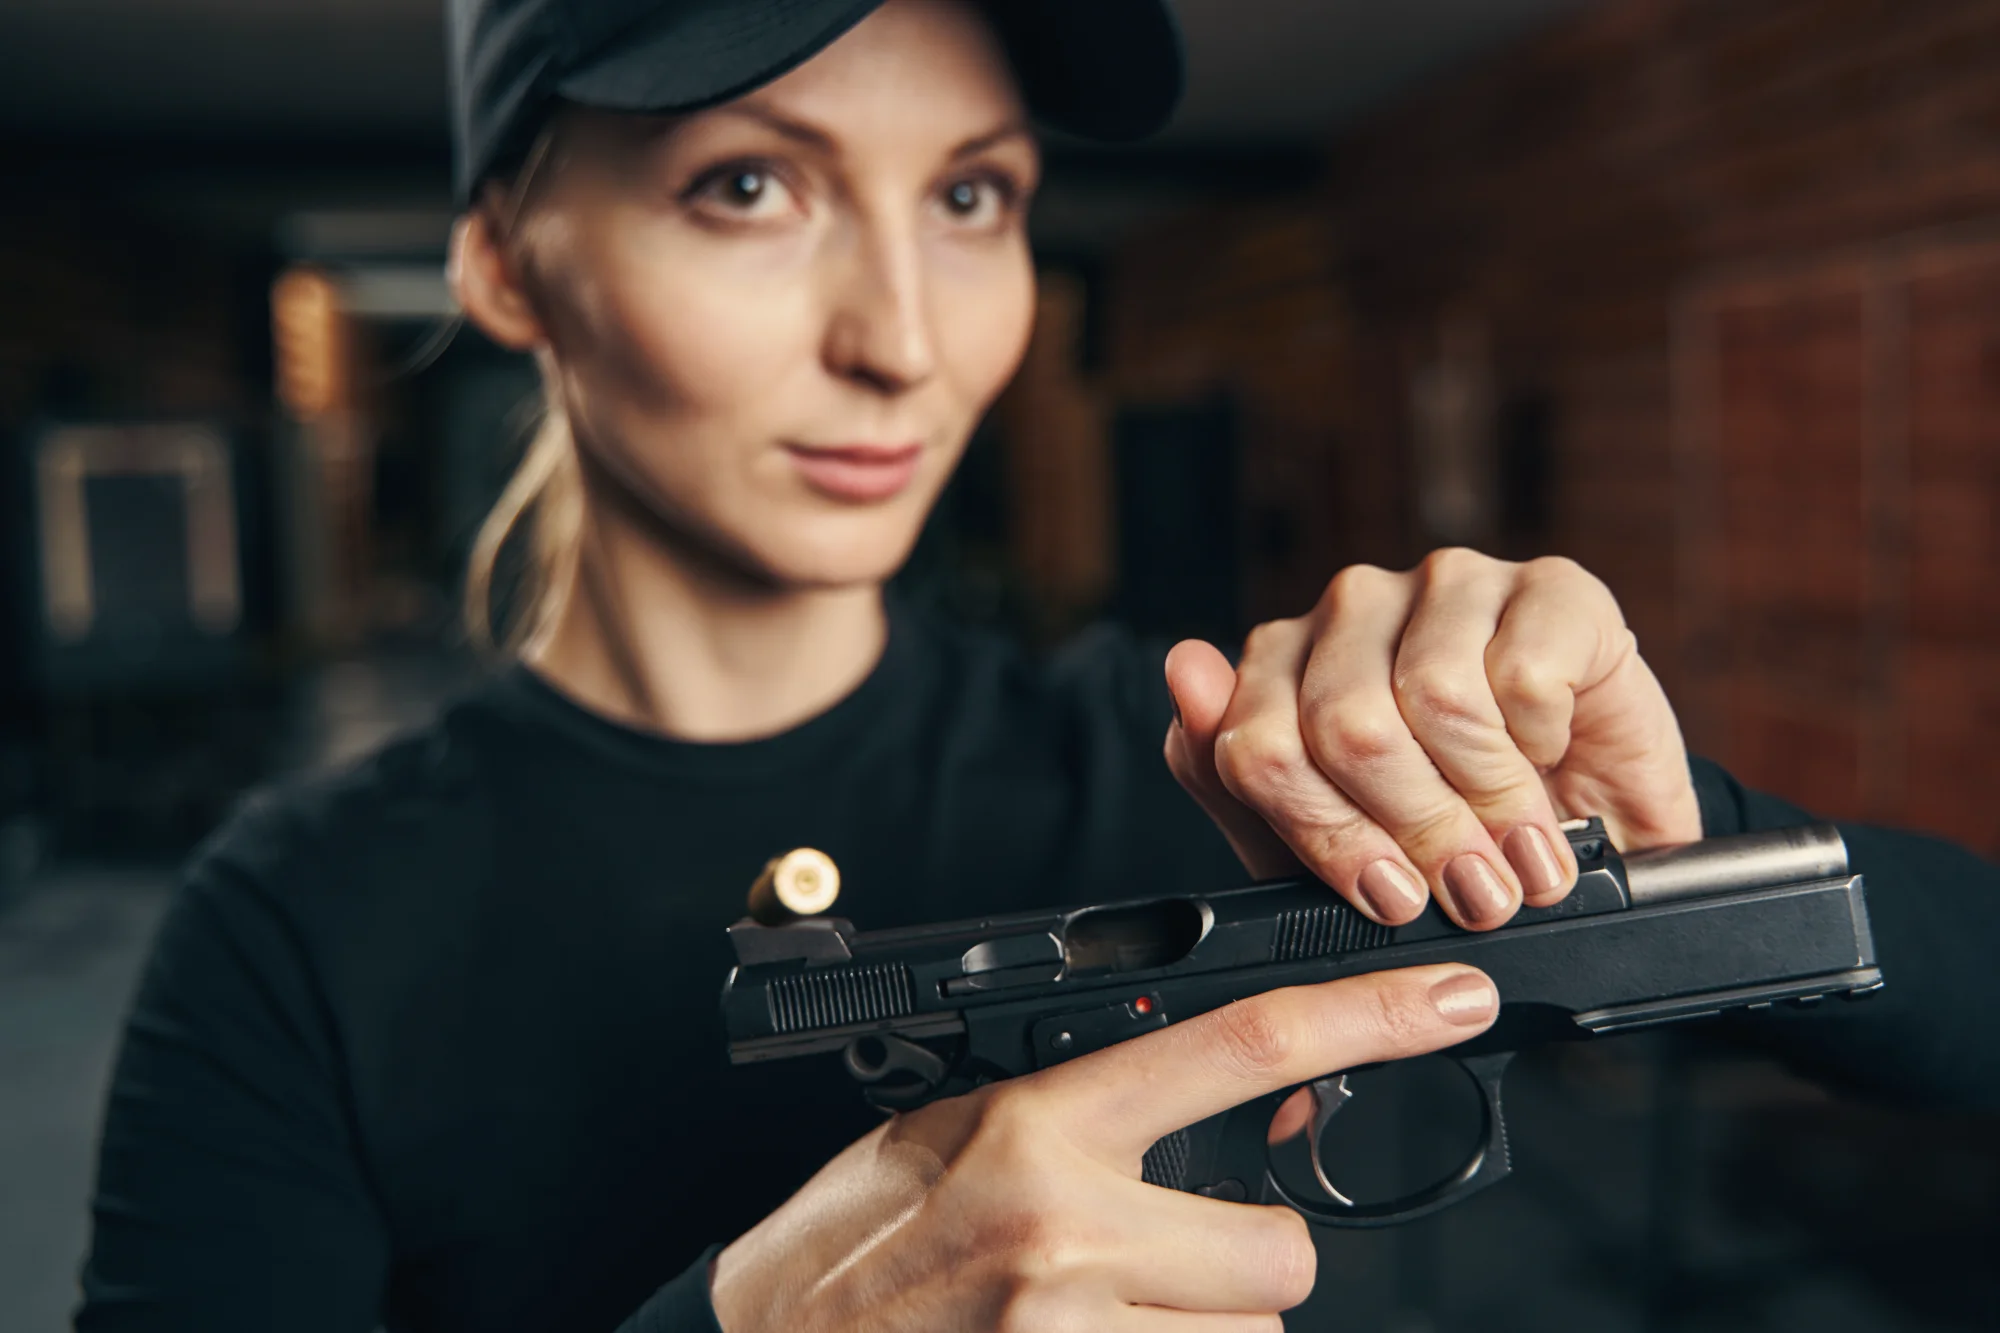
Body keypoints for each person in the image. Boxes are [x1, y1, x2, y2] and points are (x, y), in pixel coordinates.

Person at [75, 2, 2000, 1330]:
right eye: (748, 183)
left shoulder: (1207, 773)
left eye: (973, 194)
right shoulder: (295, 926)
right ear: (504, 262)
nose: (905, 341)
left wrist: (1638, 842)